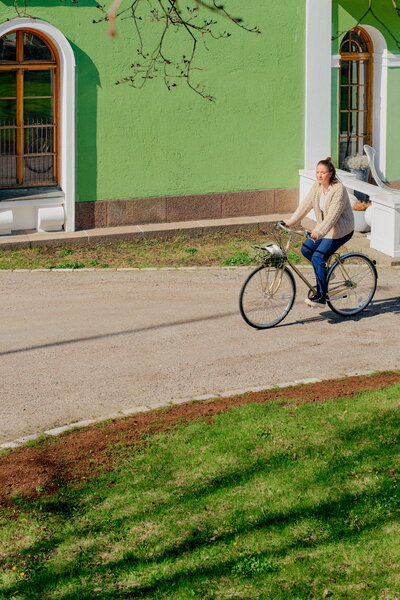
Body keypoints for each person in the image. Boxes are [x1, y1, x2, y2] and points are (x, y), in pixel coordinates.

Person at [285, 157, 354, 307]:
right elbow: (305, 205)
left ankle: (322, 297)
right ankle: (325, 272)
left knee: (317, 257)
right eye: (317, 172)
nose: (319, 175)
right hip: (324, 229)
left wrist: (318, 231)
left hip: (340, 230)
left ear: (330, 173)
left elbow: (332, 217)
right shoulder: (317, 186)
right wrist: (290, 222)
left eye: (323, 172)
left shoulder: (338, 189)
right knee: (306, 249)